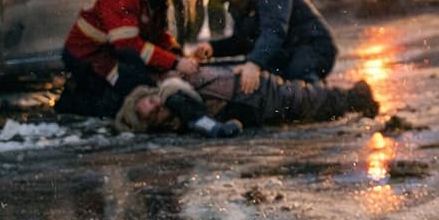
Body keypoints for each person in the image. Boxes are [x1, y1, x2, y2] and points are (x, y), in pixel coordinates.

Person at [55, 0, 202, 119]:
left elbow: (158, 34)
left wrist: (177, 55)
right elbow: (128, 45)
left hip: (110, 52)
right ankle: (76, 103)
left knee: (144, 79)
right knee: (134, 87)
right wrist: (174, 63)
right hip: (87, 56)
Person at [194, 0, 338, 91]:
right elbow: (242, 41)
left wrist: (254, 63)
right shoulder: (241, 0)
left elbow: (274, 32)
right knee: (243, 72)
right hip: (287, 50)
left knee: (294, 82)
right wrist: (212, 48)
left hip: (314, 48)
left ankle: (324, 96)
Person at [114, 65, 380, 136]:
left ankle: (357, 96)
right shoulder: (173, 110)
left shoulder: (170, 94)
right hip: (253, 99)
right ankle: (354, 98)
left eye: (148, 103)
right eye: (149, 115)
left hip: (254, 96)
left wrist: (217, 129)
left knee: (309, 101)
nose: (155, 108)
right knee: (310, 104)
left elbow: (196, 117)